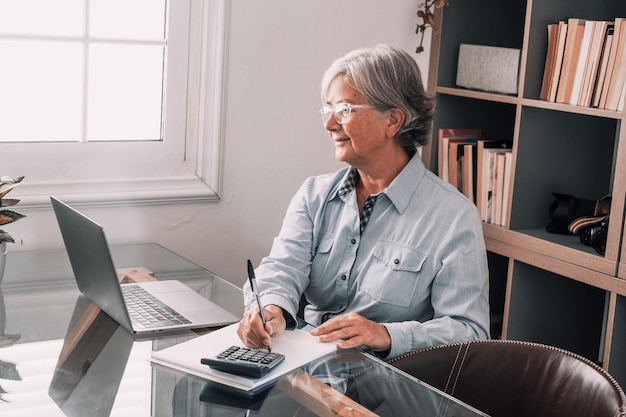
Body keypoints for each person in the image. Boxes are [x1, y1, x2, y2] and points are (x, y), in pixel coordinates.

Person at [237, 43, 490, 359]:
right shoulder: (313, 195)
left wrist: (384, 334)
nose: (330, 124)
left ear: (392, 121)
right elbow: (283, 267)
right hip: (306, 368)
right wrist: (270, 307)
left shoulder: (453, 216)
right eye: (327, 110)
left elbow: (470, 331)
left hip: (389, 384)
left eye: (343, 110)